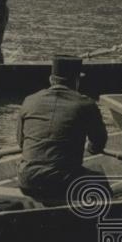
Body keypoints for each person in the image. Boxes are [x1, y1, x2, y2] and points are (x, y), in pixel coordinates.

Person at [16, 55, 109, 203]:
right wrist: (89, 147)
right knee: (99, 175)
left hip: (26, 180)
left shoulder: (29, 100)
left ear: (51, 79)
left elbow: (21, 143)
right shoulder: (86, 104)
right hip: (63, 182)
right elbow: (98, 144)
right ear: (77, 81)